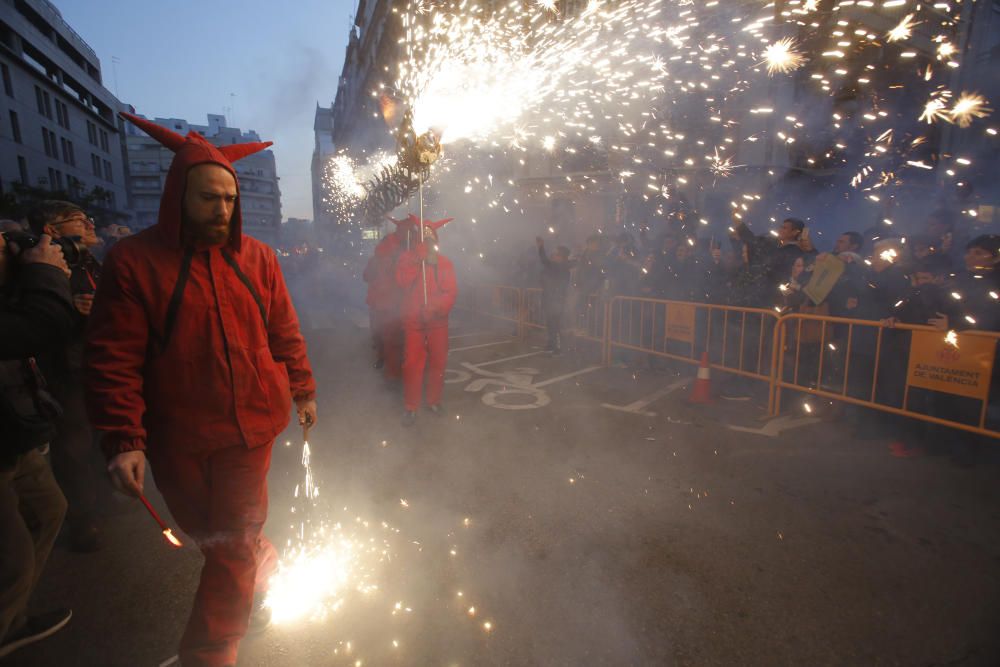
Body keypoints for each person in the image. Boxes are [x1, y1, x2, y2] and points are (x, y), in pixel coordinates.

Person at [84, 112, 317, 667]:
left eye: (229, 199)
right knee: (207, 534)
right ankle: (258, 570)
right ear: (178, 195)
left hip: (251, 431)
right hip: (178, 434)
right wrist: (124, 438)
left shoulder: (259, 259)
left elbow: (284, 330)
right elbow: (114, 358)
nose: (221, 209)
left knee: (230, 542)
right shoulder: (133, 262)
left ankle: (209, 651)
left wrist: (303, 388)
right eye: (209, 198)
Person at [0, 232, 76, 658]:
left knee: (50, 509)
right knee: (13, 559)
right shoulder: (33, 286)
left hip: (14, 431)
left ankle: (13, 617)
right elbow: (40, 328)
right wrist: (45, 274)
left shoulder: (11, 291)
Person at [25, 200, 105, 552]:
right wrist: (71, 311)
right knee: (74, 446)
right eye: (78, 220)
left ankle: (104, 501)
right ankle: (82, 518)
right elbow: (31, 322)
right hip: (66, 369)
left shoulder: (89, 262)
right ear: (51, 231)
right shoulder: (37, 266)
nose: (89, 224)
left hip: (99, 364)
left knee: (101, 437)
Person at [396, 216, 457, 426]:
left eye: (431, 239)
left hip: (437, 322)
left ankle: (434, 400)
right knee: (412, 365)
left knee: (438, 363)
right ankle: (411, 406)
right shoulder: (407, 258)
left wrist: (435, 308)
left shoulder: (445, 263)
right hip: (414, 321)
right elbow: (402, 283)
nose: (428, 243)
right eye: (424, 239)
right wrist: (415, 260)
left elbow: (450, 292)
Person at [363, 217, 412, 378]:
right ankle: (382, 359)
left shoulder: (398, 260)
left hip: (392, 303)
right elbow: (367, 276)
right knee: (379, 333)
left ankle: (392, 363)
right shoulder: (375, 261)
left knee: (392, 334)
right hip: (378, 303)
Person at [536, 236, 575, 354]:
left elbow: (545, 261)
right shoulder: (557, 267)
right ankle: (551, 344)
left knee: (556, 325)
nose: (554, 255)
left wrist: (541, 248)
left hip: (557, 301)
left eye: (557, 254)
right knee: (550, 324)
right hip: (550, 300)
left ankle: (558, 347)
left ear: (562, 256)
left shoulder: (562, 267)